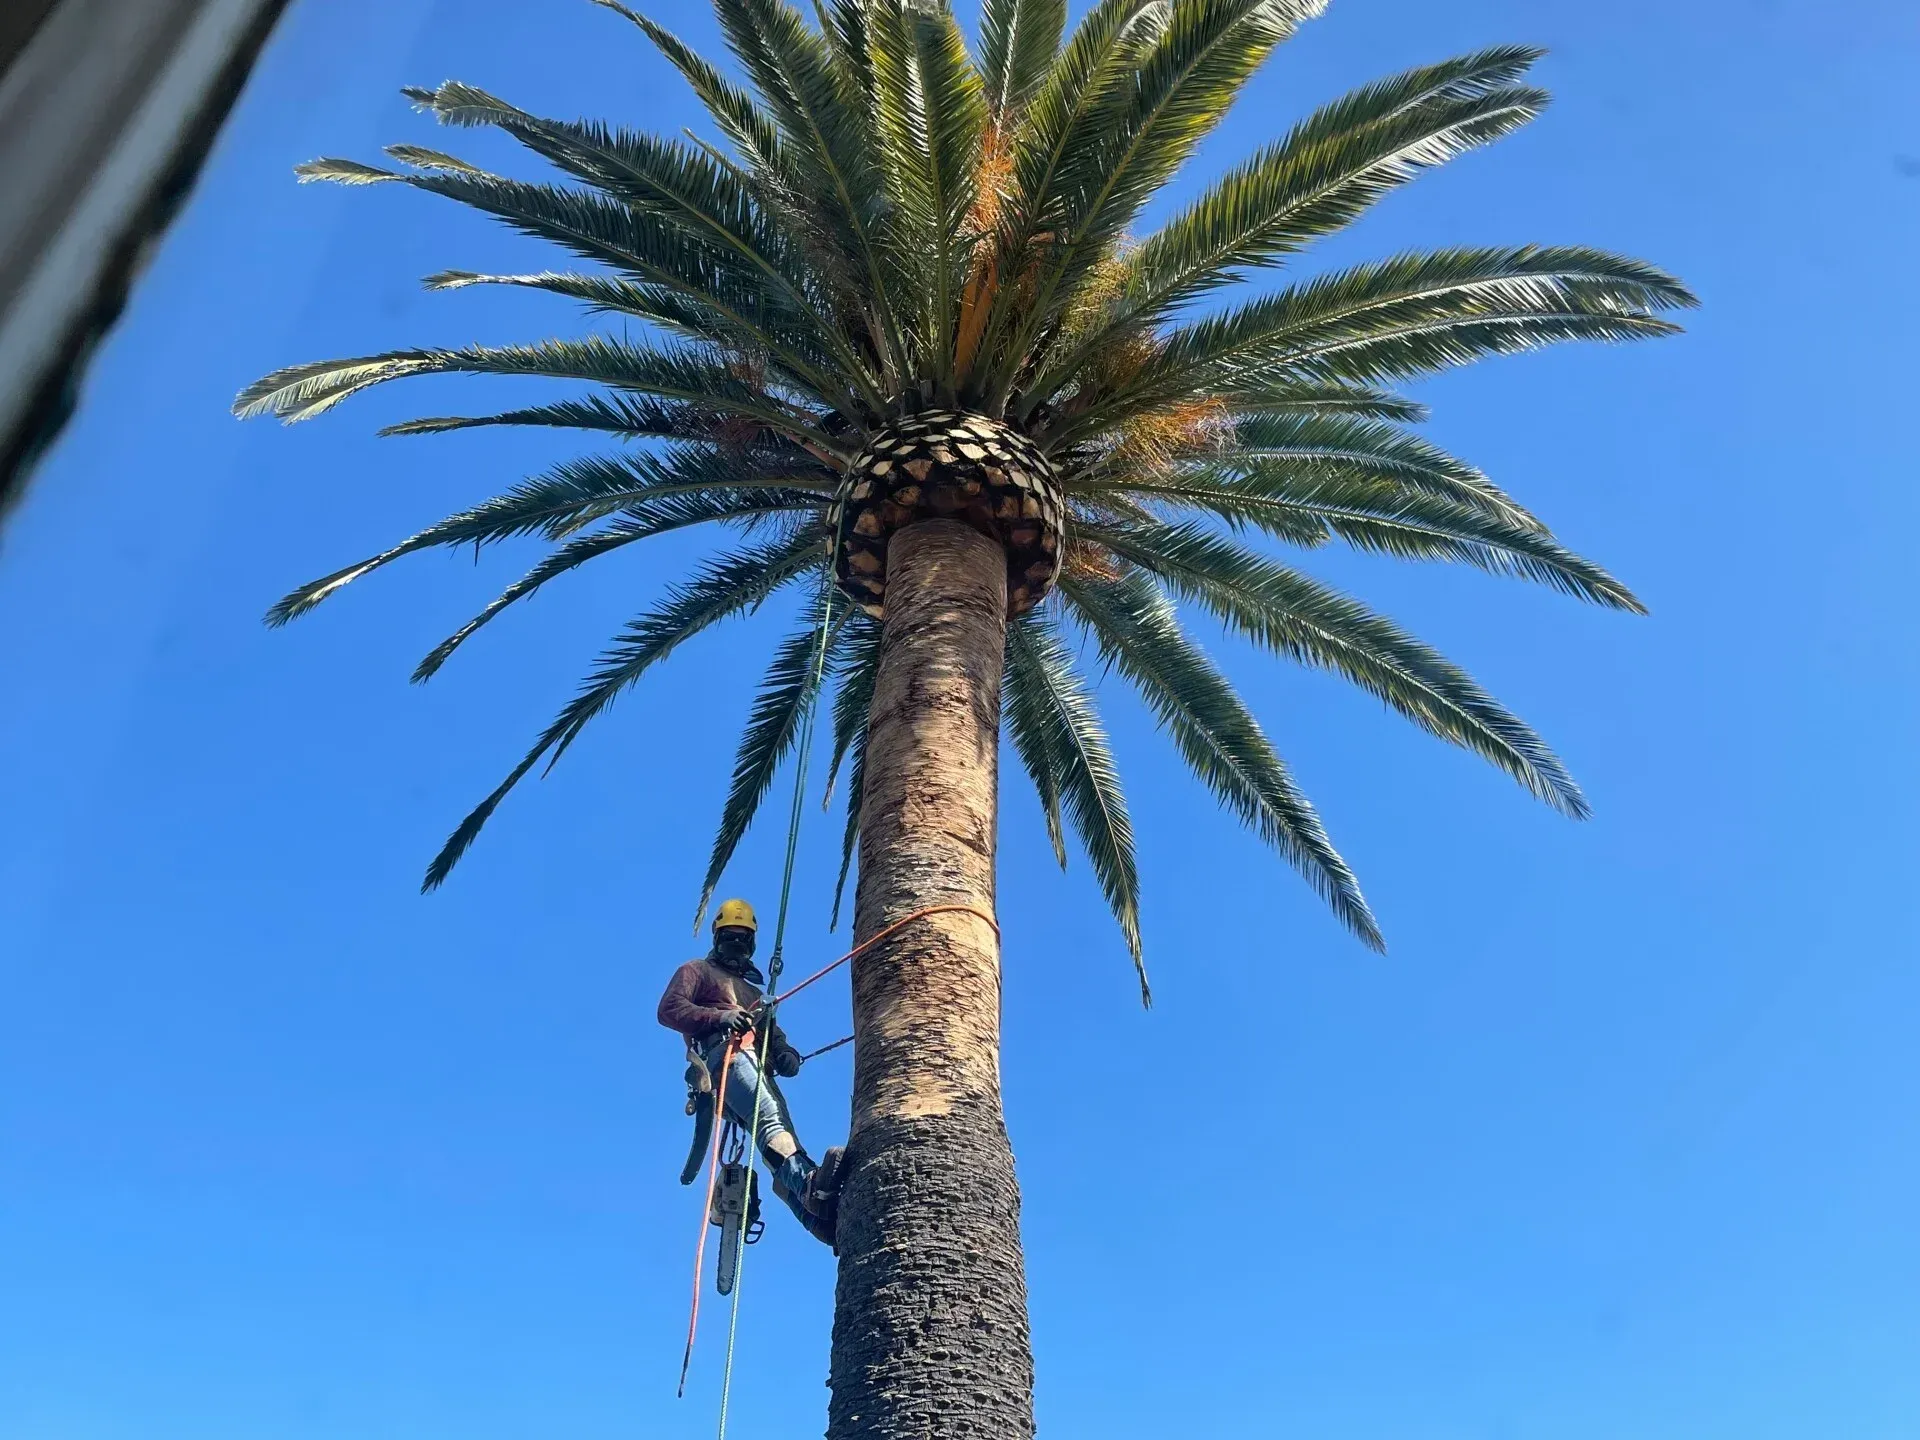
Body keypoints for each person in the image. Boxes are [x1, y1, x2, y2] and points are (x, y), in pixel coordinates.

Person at [657, 897, 835, 1244]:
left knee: (775, 1131)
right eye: (729, 936)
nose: (736, 943)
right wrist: (720, 1017)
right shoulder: (697, 970)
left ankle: (814, 1218)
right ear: (717, 938)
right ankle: (811, 1187)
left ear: (751, 943)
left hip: (751, 1061)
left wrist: (785, 1055)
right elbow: (669, 1009)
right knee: (771, 1119)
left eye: (742, 937)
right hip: (723, 1057)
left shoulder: (754, 993)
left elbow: (774, 1037)